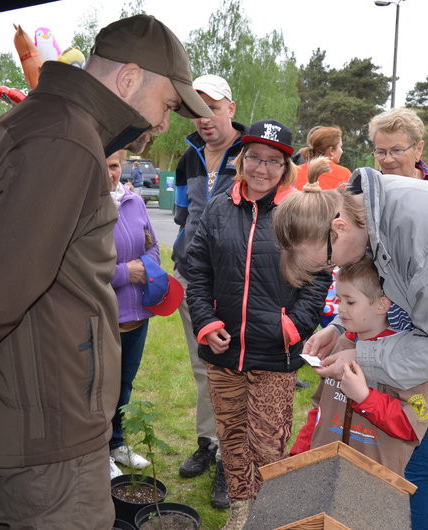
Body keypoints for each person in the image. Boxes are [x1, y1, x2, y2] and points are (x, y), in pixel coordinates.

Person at [0, 14, 211, 529]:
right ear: (128, 78)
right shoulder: (67, 141)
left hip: (7, 417)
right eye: (167, 104)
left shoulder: (21, 125)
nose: (164, 124)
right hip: (45, 436)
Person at [272, 165, 428, 530]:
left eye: (329, 260)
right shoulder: (372, 215)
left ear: (339, 227)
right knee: (419, 477)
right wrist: (340, 326)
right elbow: (394, 288)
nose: (337, 267)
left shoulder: (423, 232)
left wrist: (361, 354)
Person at [185, 120, 330, 530]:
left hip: (274, 350)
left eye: (271, 160)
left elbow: (319, 276)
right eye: (253, 158)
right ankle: (240, 511)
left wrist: (294, 327)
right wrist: (205, 320)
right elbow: (198, 269)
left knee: (267, 443)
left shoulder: (299, 209)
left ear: (285, 166)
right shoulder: (219, 207)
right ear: (241, 159)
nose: (260, 168)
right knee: (231, 438)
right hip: (224, 349)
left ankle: (268, 513)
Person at [172, 73, 246, 509]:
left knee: (232, 370)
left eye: (213, 107)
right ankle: (208, 443)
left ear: (231, 108)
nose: (205, 118)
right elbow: (183, 216)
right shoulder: (188, 158)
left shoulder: (253, 153)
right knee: (204, 367)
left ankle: (229, 458)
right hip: (192, 279)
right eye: (197, 109)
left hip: (235, 283)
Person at [290, 256, 428, 476]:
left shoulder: (404, 357)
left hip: (373, 483)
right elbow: (320, 409)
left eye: (350, 302)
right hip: (322, 471)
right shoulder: (341, 344)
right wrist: (299, 454)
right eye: (340, 299)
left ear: (382, 305)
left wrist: (365, 397)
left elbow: (411, 425)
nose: (341, 309)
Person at [106, 149, 158, 479]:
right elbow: (79, 266)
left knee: (124, 385)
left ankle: (117, 442)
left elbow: (151, 244)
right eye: (102, 165)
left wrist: (146, 265)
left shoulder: (134, 202)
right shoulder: (81, 208)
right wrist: (126, 273)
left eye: (114, 165)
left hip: (138, 314)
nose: (109, 173)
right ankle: (96, 451)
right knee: (100, 389)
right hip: (103, 316)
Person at [368, 107, 428, 194]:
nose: (387, 160)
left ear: (418, 149)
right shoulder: (369, 189)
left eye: (397, 150)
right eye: (381, 152)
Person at [293, 126, 351, 190]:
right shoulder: (344, 174)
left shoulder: (295, 171)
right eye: (340, 147)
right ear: (331, 151)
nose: (342, 151)